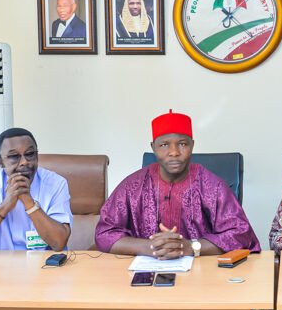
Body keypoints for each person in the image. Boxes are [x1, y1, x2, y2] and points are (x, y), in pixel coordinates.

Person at [95, 110, 261, 258]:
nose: (174, 152)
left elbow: (241, 235)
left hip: (203, 276)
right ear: (153, 147)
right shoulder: (132, 186)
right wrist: (150, 247)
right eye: (164, 145)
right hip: (143, 274)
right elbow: (104, 233)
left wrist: (191, 247)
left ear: (192, 145)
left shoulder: (213, 186)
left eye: (182, 144)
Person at [0, 128, 72, 253]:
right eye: (14, 156)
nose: (24, 162)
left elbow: (59, 243)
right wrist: (5, 205)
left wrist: (29, 202)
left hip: (44, 265)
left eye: (30, 154)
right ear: (0, 162)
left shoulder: (56, 183)